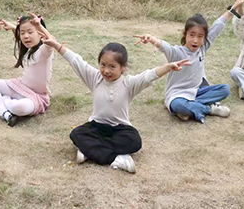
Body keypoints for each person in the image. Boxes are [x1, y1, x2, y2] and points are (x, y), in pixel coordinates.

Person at [42, 36, 190, 174]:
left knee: (135, 141)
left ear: (123, 67)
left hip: (120, 129)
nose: (106, 70)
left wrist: (169, 67)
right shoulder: (94, 78)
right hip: (96, 126)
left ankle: (89, 150)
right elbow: (76, 60)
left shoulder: (129, 83)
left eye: (112, 67)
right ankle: (117, 158)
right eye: (103, 65)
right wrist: (56, 44)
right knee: (76, 134)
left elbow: (150, 75)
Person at [133, 0, 244, 123]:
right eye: (192, 35)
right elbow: (163, 46)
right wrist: (151, 39)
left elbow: (217, 26)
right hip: (178, 95)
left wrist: (233, 9)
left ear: (204, 39)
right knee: (178, 105)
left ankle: (190, 109)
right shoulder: (177, 53)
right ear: (185, 34)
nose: (196, 40)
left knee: (225, 89)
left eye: (200, 36)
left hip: (197, 92)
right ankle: (209, 109)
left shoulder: (202, 48)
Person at [0, 14, 55, 127]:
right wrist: (12, 27)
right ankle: (4, 112)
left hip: (35, 97)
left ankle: (2, 101)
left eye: (30, 32)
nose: (26, 36)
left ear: (40, 34)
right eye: (22, 33)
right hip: (20, 87)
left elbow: (52, 41)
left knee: (18, 108)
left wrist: (39, 26)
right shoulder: (28, 49)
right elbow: (20, 37)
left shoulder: (44, 52)